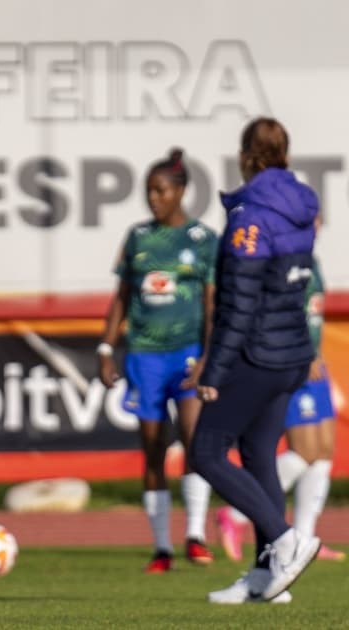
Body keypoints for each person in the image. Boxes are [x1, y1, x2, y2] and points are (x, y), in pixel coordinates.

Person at [190, 118, 320, 604]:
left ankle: (286, 541)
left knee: (205, 450)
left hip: (256, 352)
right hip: (291, 351)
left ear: (247, 154)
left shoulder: (251, 213)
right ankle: (269, 580)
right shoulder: (301, 205)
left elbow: (240, 302)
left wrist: (214, 370)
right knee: (259, 454)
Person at [97, 149, 218, 573]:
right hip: (145, 355)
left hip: (187, 354)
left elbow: (210, 303)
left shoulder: (203, 239)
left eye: (161, 190)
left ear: (181, 191)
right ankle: (162, 548)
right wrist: (107, 348)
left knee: (194, 438)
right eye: (149, 191)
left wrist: (208, 356)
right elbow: (123, 298)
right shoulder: (138, 237)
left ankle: (197, 535)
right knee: (153, 449)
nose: (153, 198)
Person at [216, 244, 344, 563]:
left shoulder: (311, 259)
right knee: (305, 451)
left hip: (316, 362)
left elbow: (312, 310)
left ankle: (305, 537)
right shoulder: (275, 257)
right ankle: (235, 515)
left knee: (324, 449)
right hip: (292, 359)